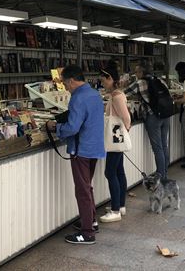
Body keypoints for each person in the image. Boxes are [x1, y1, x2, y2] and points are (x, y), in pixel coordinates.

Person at [46, 65, 105, 245]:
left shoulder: (78, 98)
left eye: (65, 83)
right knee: (87, 187)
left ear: (71, 80)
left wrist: (55, 127)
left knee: (82, 190)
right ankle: (91, 221)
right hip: (94, 147)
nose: (65, 87)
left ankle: (87, 233)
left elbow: (72, 128)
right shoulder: (95, 94)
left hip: (81, 149)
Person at [123, 61, 171, 179]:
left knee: (157, 147)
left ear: (141, 72)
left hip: (153, 116)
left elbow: (123, 93)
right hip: (165, 115)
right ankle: (164, 171)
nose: (135, 74)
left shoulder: (140, 82)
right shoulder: (159, 80)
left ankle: (161, 175)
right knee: (164, 145)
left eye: (136, 72)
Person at [99, 64, 131, 223]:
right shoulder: (116, 94)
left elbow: (126, 118)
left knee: (110, 172)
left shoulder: (117, 96)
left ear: (110, 78)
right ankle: (120, 205)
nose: (102, 83)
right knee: (119, 170)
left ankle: (115, 210)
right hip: (117, 136)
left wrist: (125, 132)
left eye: (103, 80)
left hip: (115, 136)